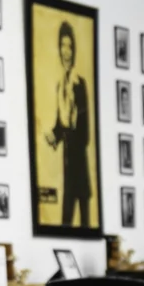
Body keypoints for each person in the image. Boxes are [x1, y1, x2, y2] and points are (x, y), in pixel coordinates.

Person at [45, 20, 91, 228]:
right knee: (65, 221)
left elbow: (85, 131)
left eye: (70, 46)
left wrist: (68, 130)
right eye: (63, 46)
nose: (66, 51)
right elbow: (59, 125)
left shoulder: (79, 85)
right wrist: (53, 136)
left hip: (79, 165)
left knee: (84, 221)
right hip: (67, 164)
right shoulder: (59, 87)